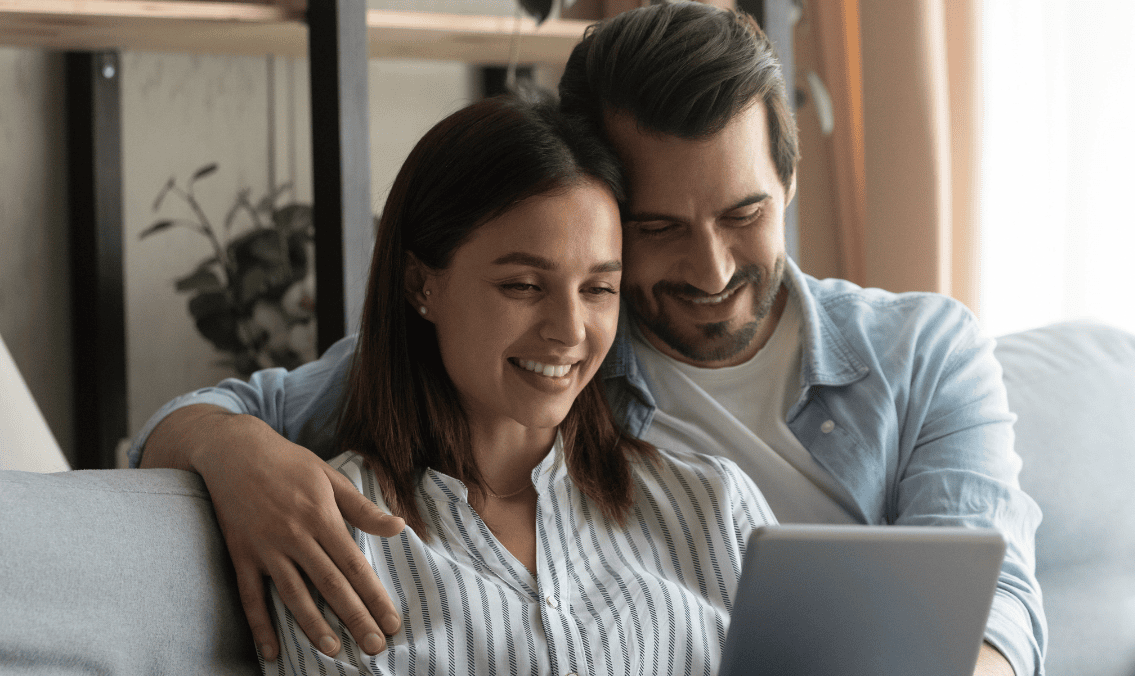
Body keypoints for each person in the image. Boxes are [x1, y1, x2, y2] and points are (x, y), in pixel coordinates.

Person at [137, 4, 1046, 675]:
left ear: (790, 183)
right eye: (658, 229)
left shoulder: (920, 351)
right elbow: (235, 413)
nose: (712, 267)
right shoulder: (549, 367)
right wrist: (232, 453)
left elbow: (993, 601)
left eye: (744, 214)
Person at [257, 92, 772, 673]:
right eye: (524, 286)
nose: (570, 330)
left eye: (598, 289)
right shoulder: (335, 536)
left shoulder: (715, 508)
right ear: (421, 286)